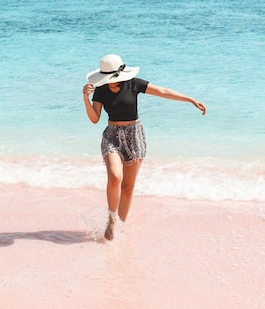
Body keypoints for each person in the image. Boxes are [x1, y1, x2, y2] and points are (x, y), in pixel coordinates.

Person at [83, 54, 206, 240]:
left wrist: (190, 99)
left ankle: (119, 227)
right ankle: (111, 219)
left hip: (134, 135)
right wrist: (86, 98)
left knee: (128, 186)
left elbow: (163, 91)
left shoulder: (133, 84)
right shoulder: (100, 90)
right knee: (115, 176)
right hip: (112, 135)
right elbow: (94, 119)